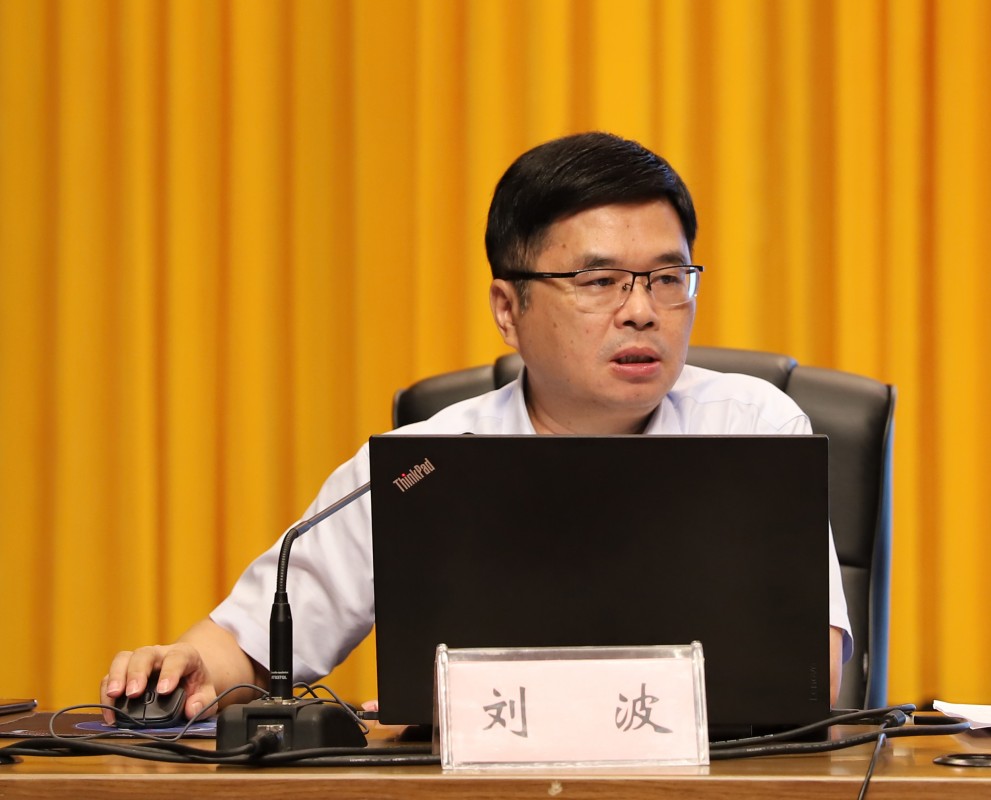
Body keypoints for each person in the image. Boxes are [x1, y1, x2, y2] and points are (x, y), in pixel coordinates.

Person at [102, 132, 853, 722]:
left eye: (667, 279)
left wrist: (516, 709)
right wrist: (185, 669)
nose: (641, 311)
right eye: (599, 282)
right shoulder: (422, 465)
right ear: (507, 309)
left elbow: (805, 676)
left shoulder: (751, 427)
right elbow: (246, 648)